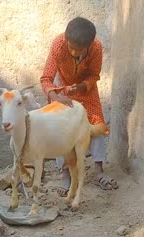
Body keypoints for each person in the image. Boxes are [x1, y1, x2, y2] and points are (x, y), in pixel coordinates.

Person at [40, 16, 118, 196]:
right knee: (62, 128)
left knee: (97, 123)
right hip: (63, 91)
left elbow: (94, 75)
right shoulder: (58, 45)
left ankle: (98, 171)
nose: (75, 53)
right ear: (66, 40)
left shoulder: (96, 47)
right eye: (71, 48)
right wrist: (55, 96)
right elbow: (46, 78)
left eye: (80, 50)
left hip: (87, 90)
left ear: (89, 45)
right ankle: (65, 174)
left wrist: (83, 86)